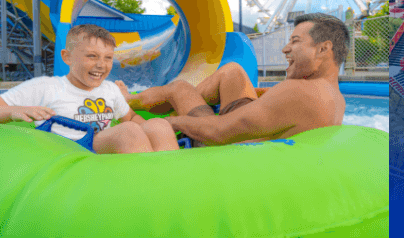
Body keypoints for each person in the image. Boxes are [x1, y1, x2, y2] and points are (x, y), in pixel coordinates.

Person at [116, 13, 348, 145]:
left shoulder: (300, 91)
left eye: (295, 41)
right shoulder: (333, 95)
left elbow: (219, 133)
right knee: (233, 71)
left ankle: (128, 101)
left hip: (229, 149)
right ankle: (177, 104)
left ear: (323, 49)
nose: (286, 49)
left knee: (179, 89)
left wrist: (170, 123)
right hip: (250, 134)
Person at [0, 25, 178, 154]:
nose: (101, 64)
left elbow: (132, 118)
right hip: (71, 152)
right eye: (91, 56)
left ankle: (173, 186)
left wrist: (150, 131)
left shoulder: (110, 89)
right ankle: (148, 192)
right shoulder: (44, 87)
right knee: (128, 132)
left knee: (158, 125)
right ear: (67, 57)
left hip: (102, 144)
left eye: (108, 58)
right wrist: (13, 111)